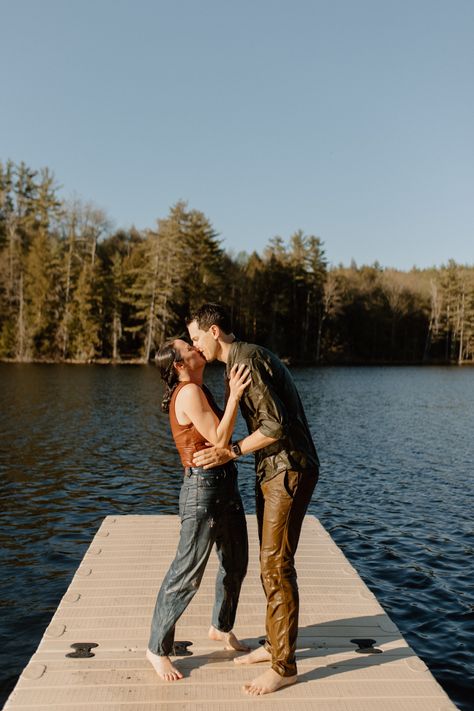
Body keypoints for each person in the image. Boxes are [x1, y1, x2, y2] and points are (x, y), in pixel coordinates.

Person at [187, 304, 320, 696]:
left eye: (196, 338)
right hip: (273, 470)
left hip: (288, 469)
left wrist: (233, 451)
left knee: (276, 564)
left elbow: (276, 425)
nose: (195, 347)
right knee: (270, 562)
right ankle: (274, 647)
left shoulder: (246, 360)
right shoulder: (239, 363)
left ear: (214, 331)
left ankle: (285, 666)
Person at [147, 338, 251, 681]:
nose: (195, 347)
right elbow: (221, 440)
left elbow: (220, 440)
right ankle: (156, 649)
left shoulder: (199, 388)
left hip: (224, 484)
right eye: (187, 347)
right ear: (179, 364)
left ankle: (221, 628)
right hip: (202, 490)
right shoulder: (188, 392)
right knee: (187, 573)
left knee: (235, 562)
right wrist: (235, 394)